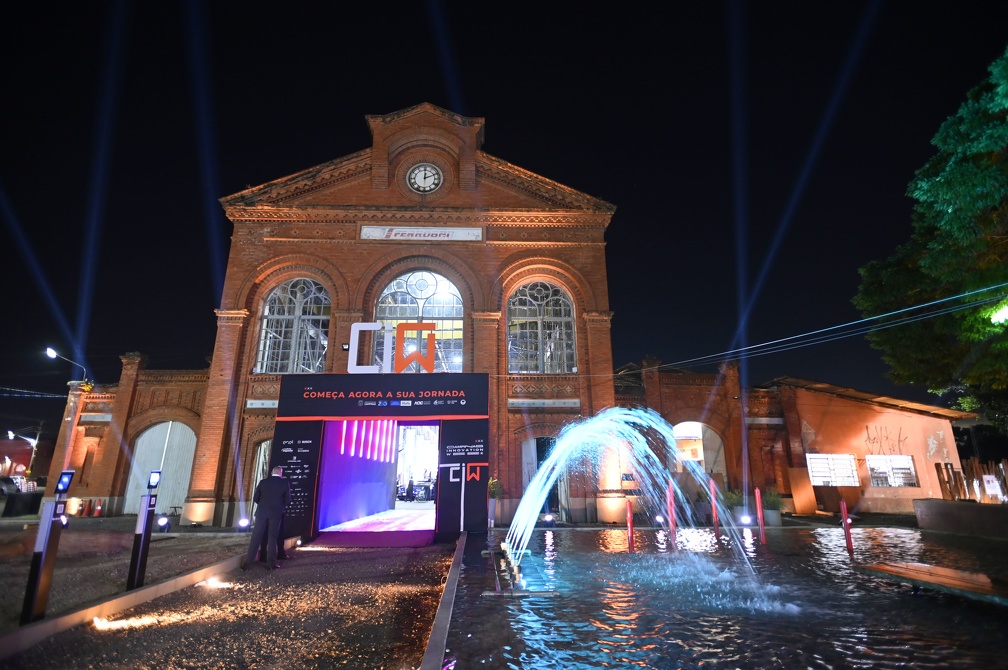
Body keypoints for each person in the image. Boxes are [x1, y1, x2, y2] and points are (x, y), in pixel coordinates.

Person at [243, 466, 290, 570]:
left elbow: (256, 498)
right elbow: (287, 500)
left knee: (255, 537)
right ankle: (271, 564)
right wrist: (278, 506)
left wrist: (263, 505)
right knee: (272, 538)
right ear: (280, 473)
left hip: (261, 513)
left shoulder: (263, 482)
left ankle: (247, 564)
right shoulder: (284, 483)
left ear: (272, 472)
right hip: (276, 513)